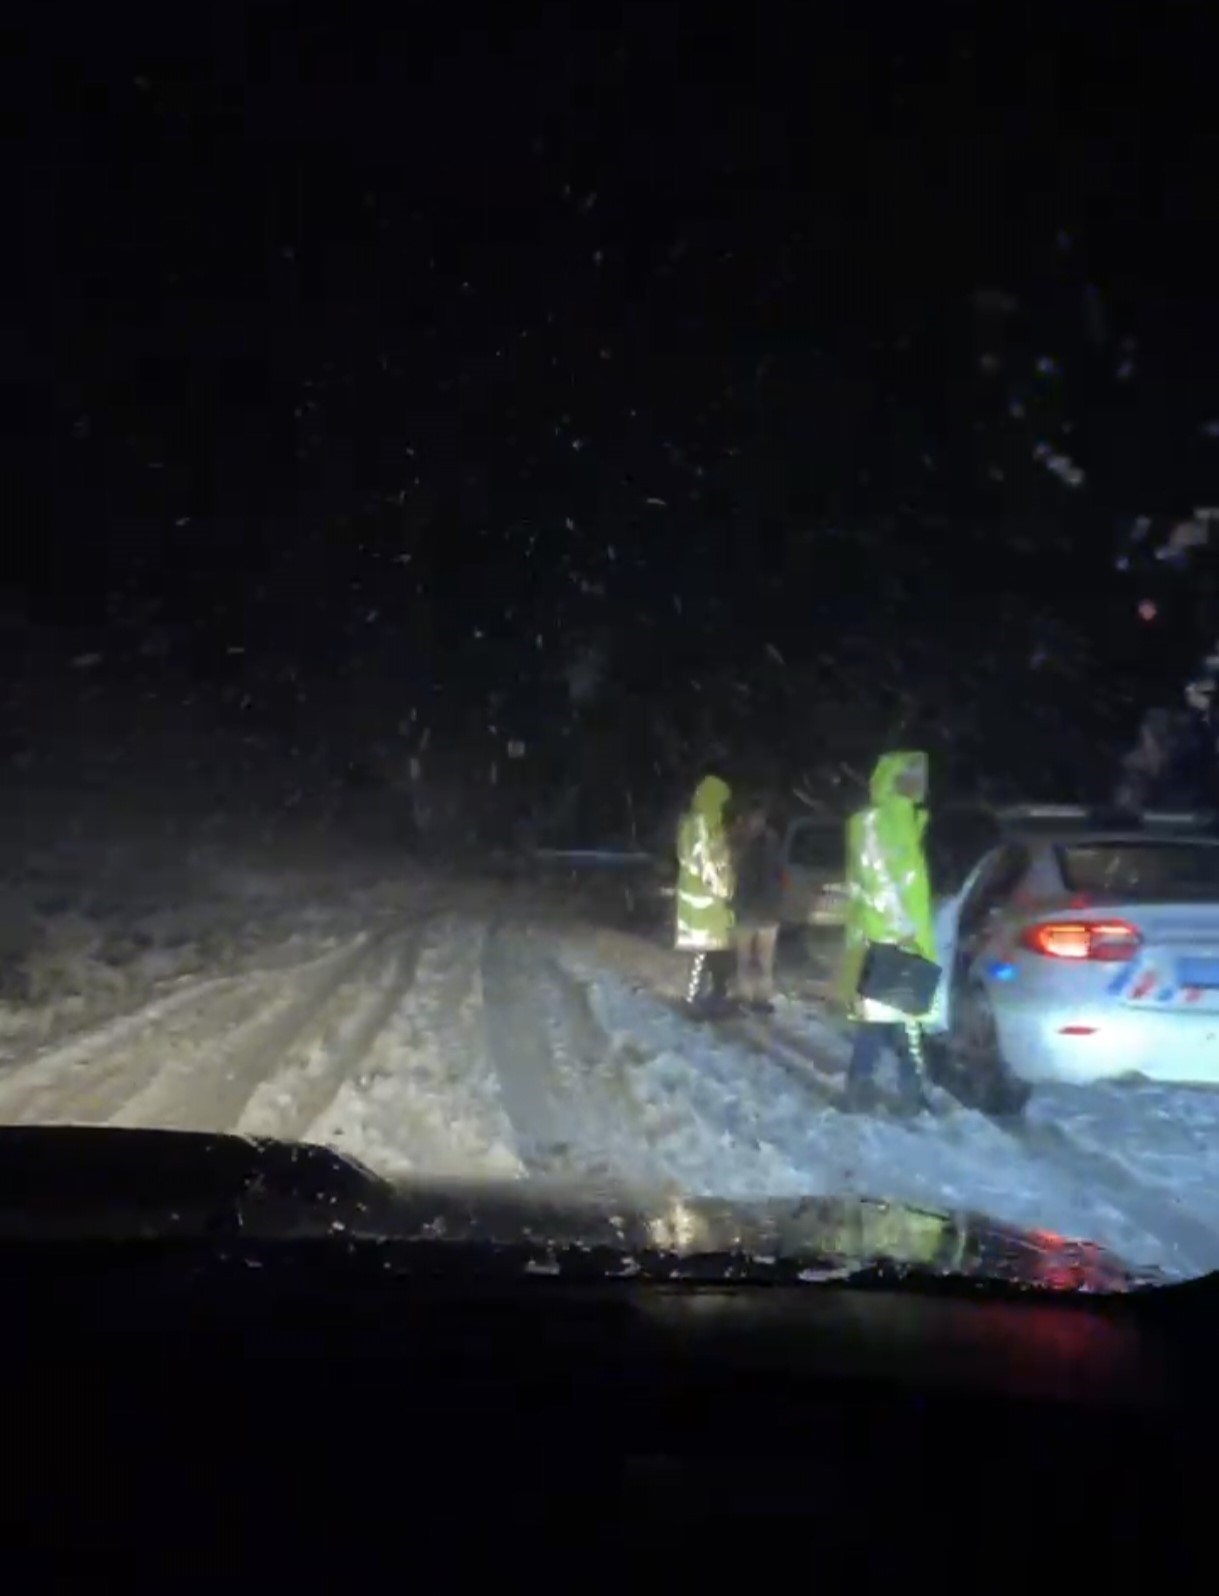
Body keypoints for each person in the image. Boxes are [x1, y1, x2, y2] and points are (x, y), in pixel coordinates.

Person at [835, 750, 936, 1115]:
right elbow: (875, 879)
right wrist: (901, 928)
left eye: (919, 776)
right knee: (877, 1020)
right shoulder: (871, 823)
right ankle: (862, 1089)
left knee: (904, 1021)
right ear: (890, 779)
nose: (916, 783)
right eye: (908, 776)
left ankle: (909, 1091)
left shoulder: (908, 820)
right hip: (885, 937)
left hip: (909, 939)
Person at [675, 773, 736, 1016]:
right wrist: (722, 888)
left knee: (706, 953)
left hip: (705, 901)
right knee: (701, 952)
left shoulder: (702, 822)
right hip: (703, 901)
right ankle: (694, 1002)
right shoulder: (700, 824)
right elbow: (704, 862)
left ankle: (703, 999)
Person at [731, 799, 783, 1012]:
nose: (756, 822)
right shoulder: (765, 841)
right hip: (755, 909)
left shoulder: (747, 842)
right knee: (752, 959)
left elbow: (774, 874)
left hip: (759, 910)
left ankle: (756, 997)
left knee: (759, 959)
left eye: (759, 818)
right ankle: (752, 996)